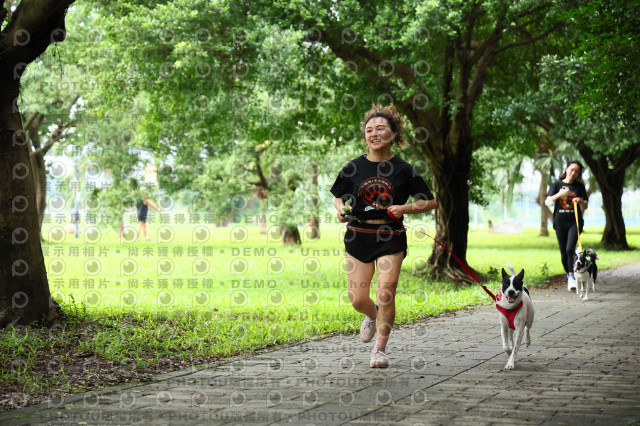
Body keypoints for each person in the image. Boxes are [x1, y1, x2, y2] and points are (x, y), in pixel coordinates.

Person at [330, 104, 437, 368]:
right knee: (357, 299)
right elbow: (337, 196)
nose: (374, 134)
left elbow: (430, 202)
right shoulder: (353, 167)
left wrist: (404, 208)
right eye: (369, 130)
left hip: (391, 236)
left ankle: (379, 350)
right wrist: (341, 209)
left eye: (380, 129)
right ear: (365, 136)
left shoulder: (404, 169)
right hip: (358, 235)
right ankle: (373, 315)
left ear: (393, 135)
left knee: (386, 291)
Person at [545, 160, 589, 291]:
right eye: (572, 169)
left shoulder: (579, 186)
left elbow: (586, 204)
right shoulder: (556, 184)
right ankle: (569, 273)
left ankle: (572, 276)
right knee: (564, 253)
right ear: (566, 169)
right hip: (559, 222)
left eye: (577, 171)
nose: (574, 172)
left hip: (574, 222)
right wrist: (560, 194)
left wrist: (580, 200)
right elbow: (547, 201)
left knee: (570, 248)